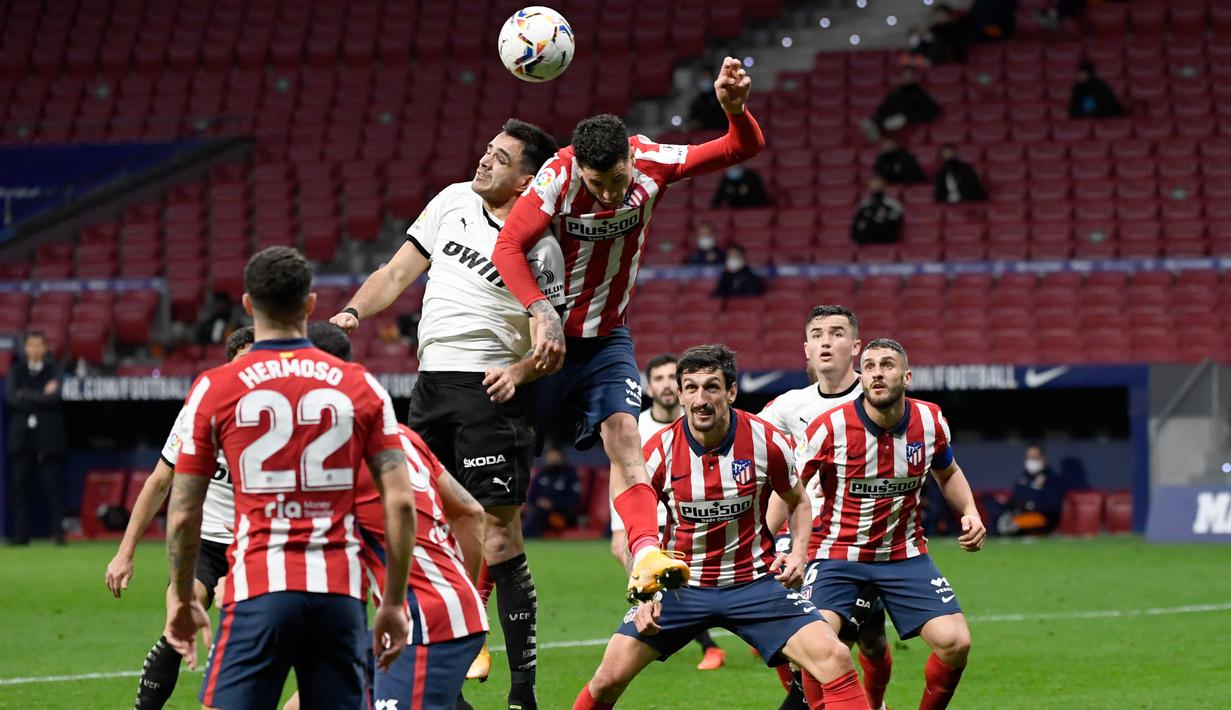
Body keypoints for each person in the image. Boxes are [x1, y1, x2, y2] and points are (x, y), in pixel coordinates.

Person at [492, 57, 764, 614]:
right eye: (599, 183)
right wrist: (539, 310)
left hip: (607, 335)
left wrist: (735, 112)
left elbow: (741, 149)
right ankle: (474, 597)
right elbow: (507, 248)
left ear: (628, 159)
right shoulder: (556, 178)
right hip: (545, 344)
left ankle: (644, 553)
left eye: (618, 179)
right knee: (508, 481)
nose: (612, 193)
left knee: (625, 437)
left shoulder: (650, 161)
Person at [329, 118, 563, 708]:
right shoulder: (452, 201)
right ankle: (442, 671)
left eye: (499, 157)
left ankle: (523, 693)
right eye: (486, 150)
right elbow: (395, 273)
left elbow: (553, 345)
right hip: (429, 387)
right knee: (419, 523)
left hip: (492, 390)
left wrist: (519, 372)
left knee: (500, 536)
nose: (483, 161)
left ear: (526, 179)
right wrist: (352, 315)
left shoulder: (543, 245)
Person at [162, 247, 417, 710]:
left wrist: (181, 596)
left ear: (246, 304)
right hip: (340, 593)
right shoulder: (361, 385)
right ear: (311, 305)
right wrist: (395, 602)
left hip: (259, 585)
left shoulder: (214, 388)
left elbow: (182, 514)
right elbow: (401, 503)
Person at [573, 345, 872, 710]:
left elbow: (798, 501)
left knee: (836, 659)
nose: (701, 399)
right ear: (681, 395)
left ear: (731, 392)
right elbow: (632, 540)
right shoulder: (657, 452)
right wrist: (644, 594)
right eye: (692, 388)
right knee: (606, 680)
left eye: (712, 387)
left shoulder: (767, 441)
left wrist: (797, 553)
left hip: (755, 584)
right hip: (680, 587)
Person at [282, 321, 489, 710]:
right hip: (433, 612)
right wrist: (463, 594)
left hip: (424, 623)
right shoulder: (405, 437)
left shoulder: (336, 450)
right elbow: (471, 513)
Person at [796, 338, 986, 710]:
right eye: (868, 366)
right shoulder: (830, 427)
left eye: (887, 365)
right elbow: (790, 491)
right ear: (861, 376)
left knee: (956, 642)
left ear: (907, 376)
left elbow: (948, 473)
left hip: (904, 555)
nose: (877, 374)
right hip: (837, 555)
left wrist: (971, 512)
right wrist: (778, 546)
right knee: (817, 643)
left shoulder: (930, 421)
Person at [104, 326, 254, 710]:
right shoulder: (200, 412)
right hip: (204, 544)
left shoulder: (277, 416)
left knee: (242, 640)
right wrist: (125, 552)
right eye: (241, 362)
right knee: (180, 622)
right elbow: (159, 481)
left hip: (255, 545)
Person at [759, 306, 893, 710]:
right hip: (804, 545)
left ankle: (875, 702)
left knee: (868, 644)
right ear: (806, 348)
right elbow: (762, 458)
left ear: (854, 347)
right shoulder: (788, 406)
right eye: (817, 334)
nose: (826, 341)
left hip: (862, 545)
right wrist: (764, 540)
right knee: (806, 649)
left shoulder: (877, 398)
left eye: (836, 334)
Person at [609, 353, 726, 671]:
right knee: (662, 583)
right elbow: (621, 475)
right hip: (648, 521)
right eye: (657, 378)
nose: (663, 385)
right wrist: (621, 527)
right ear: (648, 387)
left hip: (695, 519)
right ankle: (708, 645)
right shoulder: (634, 427)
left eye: (668, 379)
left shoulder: (701, 424)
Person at [5, 330, 67, 545]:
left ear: (45, 348)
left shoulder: (54, 369)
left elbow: (55, 397)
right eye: (31, 345)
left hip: (48, 440)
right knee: (20, 488)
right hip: (22, 439)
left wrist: (26, 394)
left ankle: (58, 534)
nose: (34, 350)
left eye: (38, 345)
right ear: (25, 348)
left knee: (54, 488)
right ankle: (22, 535)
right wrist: (41, 395)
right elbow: (11, 398)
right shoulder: (16, 370)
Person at [995, 443, 1065, 535]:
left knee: (1015, 524)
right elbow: (1015, 500)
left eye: (1035, 457)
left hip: (1043, 520)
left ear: (1043, 458)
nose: (1031, 460)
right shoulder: (1023, 479)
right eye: (1029, 457)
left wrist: (1036, 490)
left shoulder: (1053, 480)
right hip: (1020, 517)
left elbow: (1053, 507)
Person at [521, 447, 582, 538]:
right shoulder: (542, 474)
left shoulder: (570, 475)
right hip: (537, 512)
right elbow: (531, 497)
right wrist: (539, 503)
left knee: (539, 513)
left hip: (561, 517)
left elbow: (573, 501)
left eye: (556, 458)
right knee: (531, 513)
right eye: (550, 458)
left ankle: (524, 537)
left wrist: (552, 505)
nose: (553, 461)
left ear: (562, 458)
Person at [868, 67, 940, 139]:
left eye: (909, 76)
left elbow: (932, 110)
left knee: (899, 120)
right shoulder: (895, 93)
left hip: (906, 121)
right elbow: (883, 108)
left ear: (914, 78)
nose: (906, 78)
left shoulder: (920, 94)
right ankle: (876, 130)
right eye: (905, 76)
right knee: (875, 120)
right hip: (890, 119)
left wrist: (909, 119)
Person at [851, 177, 903, 245]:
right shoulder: (864, 205)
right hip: (866, 242)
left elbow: (895, 224)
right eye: (873, 182)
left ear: (883, 184)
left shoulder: (893, 204)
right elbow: (857, 226)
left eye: (878, 183)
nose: (876, 185)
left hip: (887, 241)